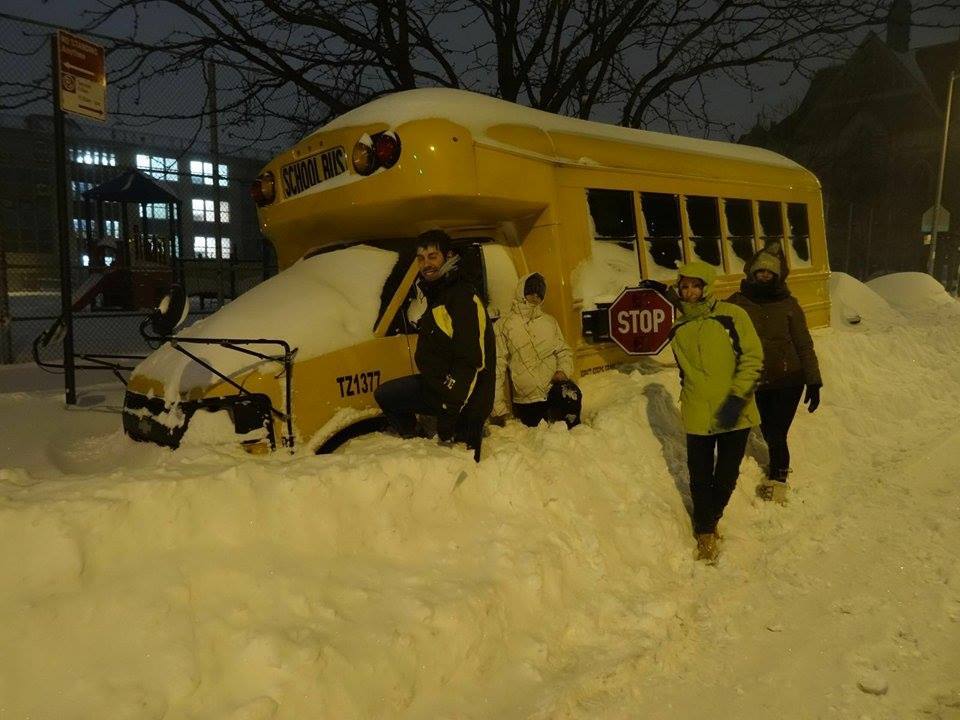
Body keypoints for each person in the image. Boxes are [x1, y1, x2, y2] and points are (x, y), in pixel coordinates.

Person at [669, 261, 764, 562]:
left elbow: (753, 357)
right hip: (698, 409)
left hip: (734, 410)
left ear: (707, 286)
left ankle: (712, 517)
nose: (690, 291)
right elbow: (685, 371)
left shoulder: (732, 316)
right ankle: (705, 531)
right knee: (699, 475)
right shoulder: (678, 328)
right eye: (684, 286)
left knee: (725, 474)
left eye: (696, 285)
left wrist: (737, 398)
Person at [374, 230, 496, 461]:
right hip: (438, 386)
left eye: (432, 256)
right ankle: (416, 440)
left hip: (464, 400)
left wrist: (449, 415)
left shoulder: (462, 297)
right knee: (386, 394)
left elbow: (471, 363)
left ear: (448, 256)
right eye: (421, 258)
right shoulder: (439, 292)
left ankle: (444, 437)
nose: (426, 264)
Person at [727, 243, 822, 503]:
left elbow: (804, 343)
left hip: (789, 378)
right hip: (757, 378)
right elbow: (708, 315)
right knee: (768, 429)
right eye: (761, 272)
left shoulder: (789, 305)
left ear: (777, 276)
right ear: (752, 274)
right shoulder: (738, 302)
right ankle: (776, 468)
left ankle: (779, 479)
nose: (765, 276)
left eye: (770, 273)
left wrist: (814, 381)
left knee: (777, 431)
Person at [493, 272, 581, 428]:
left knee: (572, 404)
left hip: (554, 391)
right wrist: (498, 406)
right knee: (538, 442)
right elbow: (497, 367)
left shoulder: (549, 322)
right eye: (530, 291)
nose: (535, 296)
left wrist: (563, 371)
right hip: (527, 400)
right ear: (521, 291)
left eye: (539, 293)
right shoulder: (504, 325)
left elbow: (564, 351)